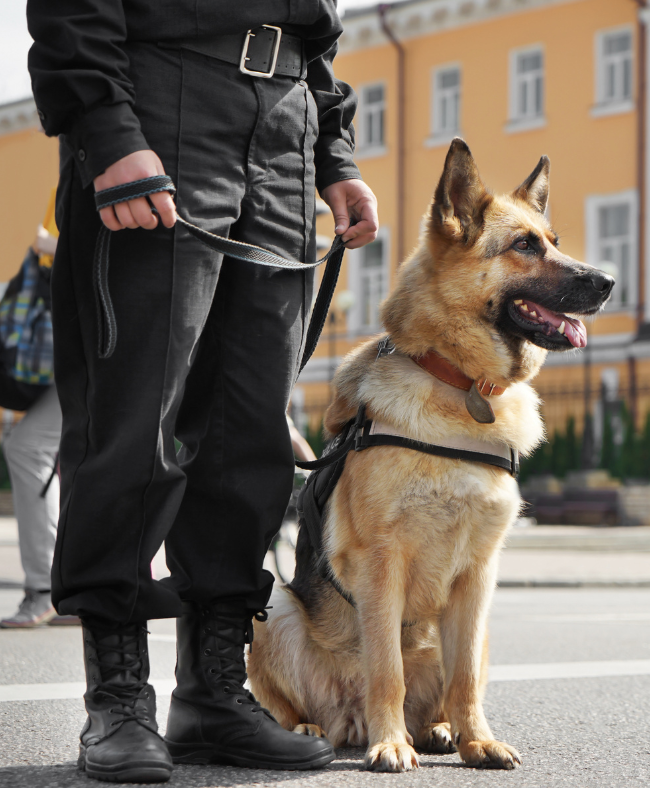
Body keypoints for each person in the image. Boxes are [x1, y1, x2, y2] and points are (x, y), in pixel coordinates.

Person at [27, 1, 378, 782]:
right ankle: (118, 698)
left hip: (283, 132)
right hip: (160, 106)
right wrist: (108, 131)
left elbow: (314, 33)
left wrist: (334, 155)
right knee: (134, 423)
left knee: (249, 434)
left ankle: (212, 693)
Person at [0, 198, 69, 629]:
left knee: (27, 447)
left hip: (105, 348)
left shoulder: (100, 158)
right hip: (87, 348)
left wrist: (52, 247)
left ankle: (48, 587)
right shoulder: (69, 174)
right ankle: (74, 590)